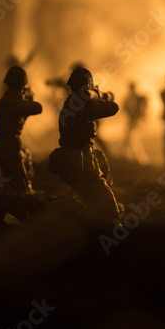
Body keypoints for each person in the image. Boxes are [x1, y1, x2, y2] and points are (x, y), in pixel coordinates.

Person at [49, 67, 122, 219]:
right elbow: (113, 107)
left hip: (71, 157)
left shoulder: (70, 103)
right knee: (110, 210)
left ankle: (89, 212)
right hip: (80, 159)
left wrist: (95, 96)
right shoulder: (83, 106)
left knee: (100, 158)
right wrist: (101, 96)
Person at [0, 66, 43, 194]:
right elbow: (38, 108)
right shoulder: (11, 103)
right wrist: (29, 100)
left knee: (24, 166)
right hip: (7, 150)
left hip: (11, 148)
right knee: (20, 187)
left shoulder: (10, 101)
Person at [122, 81, 149, 164]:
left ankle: (139, 158)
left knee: (133, 138)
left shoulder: (138, 98)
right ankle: (129, 156)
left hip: (136, 120)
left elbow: (144, 105)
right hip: (132, 120)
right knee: (130, 138)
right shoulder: (129, 98)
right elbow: (125, 107)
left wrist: (139, 115)